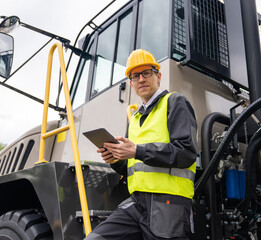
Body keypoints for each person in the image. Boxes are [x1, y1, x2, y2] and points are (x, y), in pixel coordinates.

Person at [85, 49, 198, 240]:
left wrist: (137, 150)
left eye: (147, 73)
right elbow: (135, 165)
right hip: (136, 204)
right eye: (135, 75)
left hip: (168, 203)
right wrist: (115, 159)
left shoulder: (175, 102)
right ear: (131, 83)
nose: (141, 79)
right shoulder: (135, 118)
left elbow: (186, 153)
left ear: (158, 76)